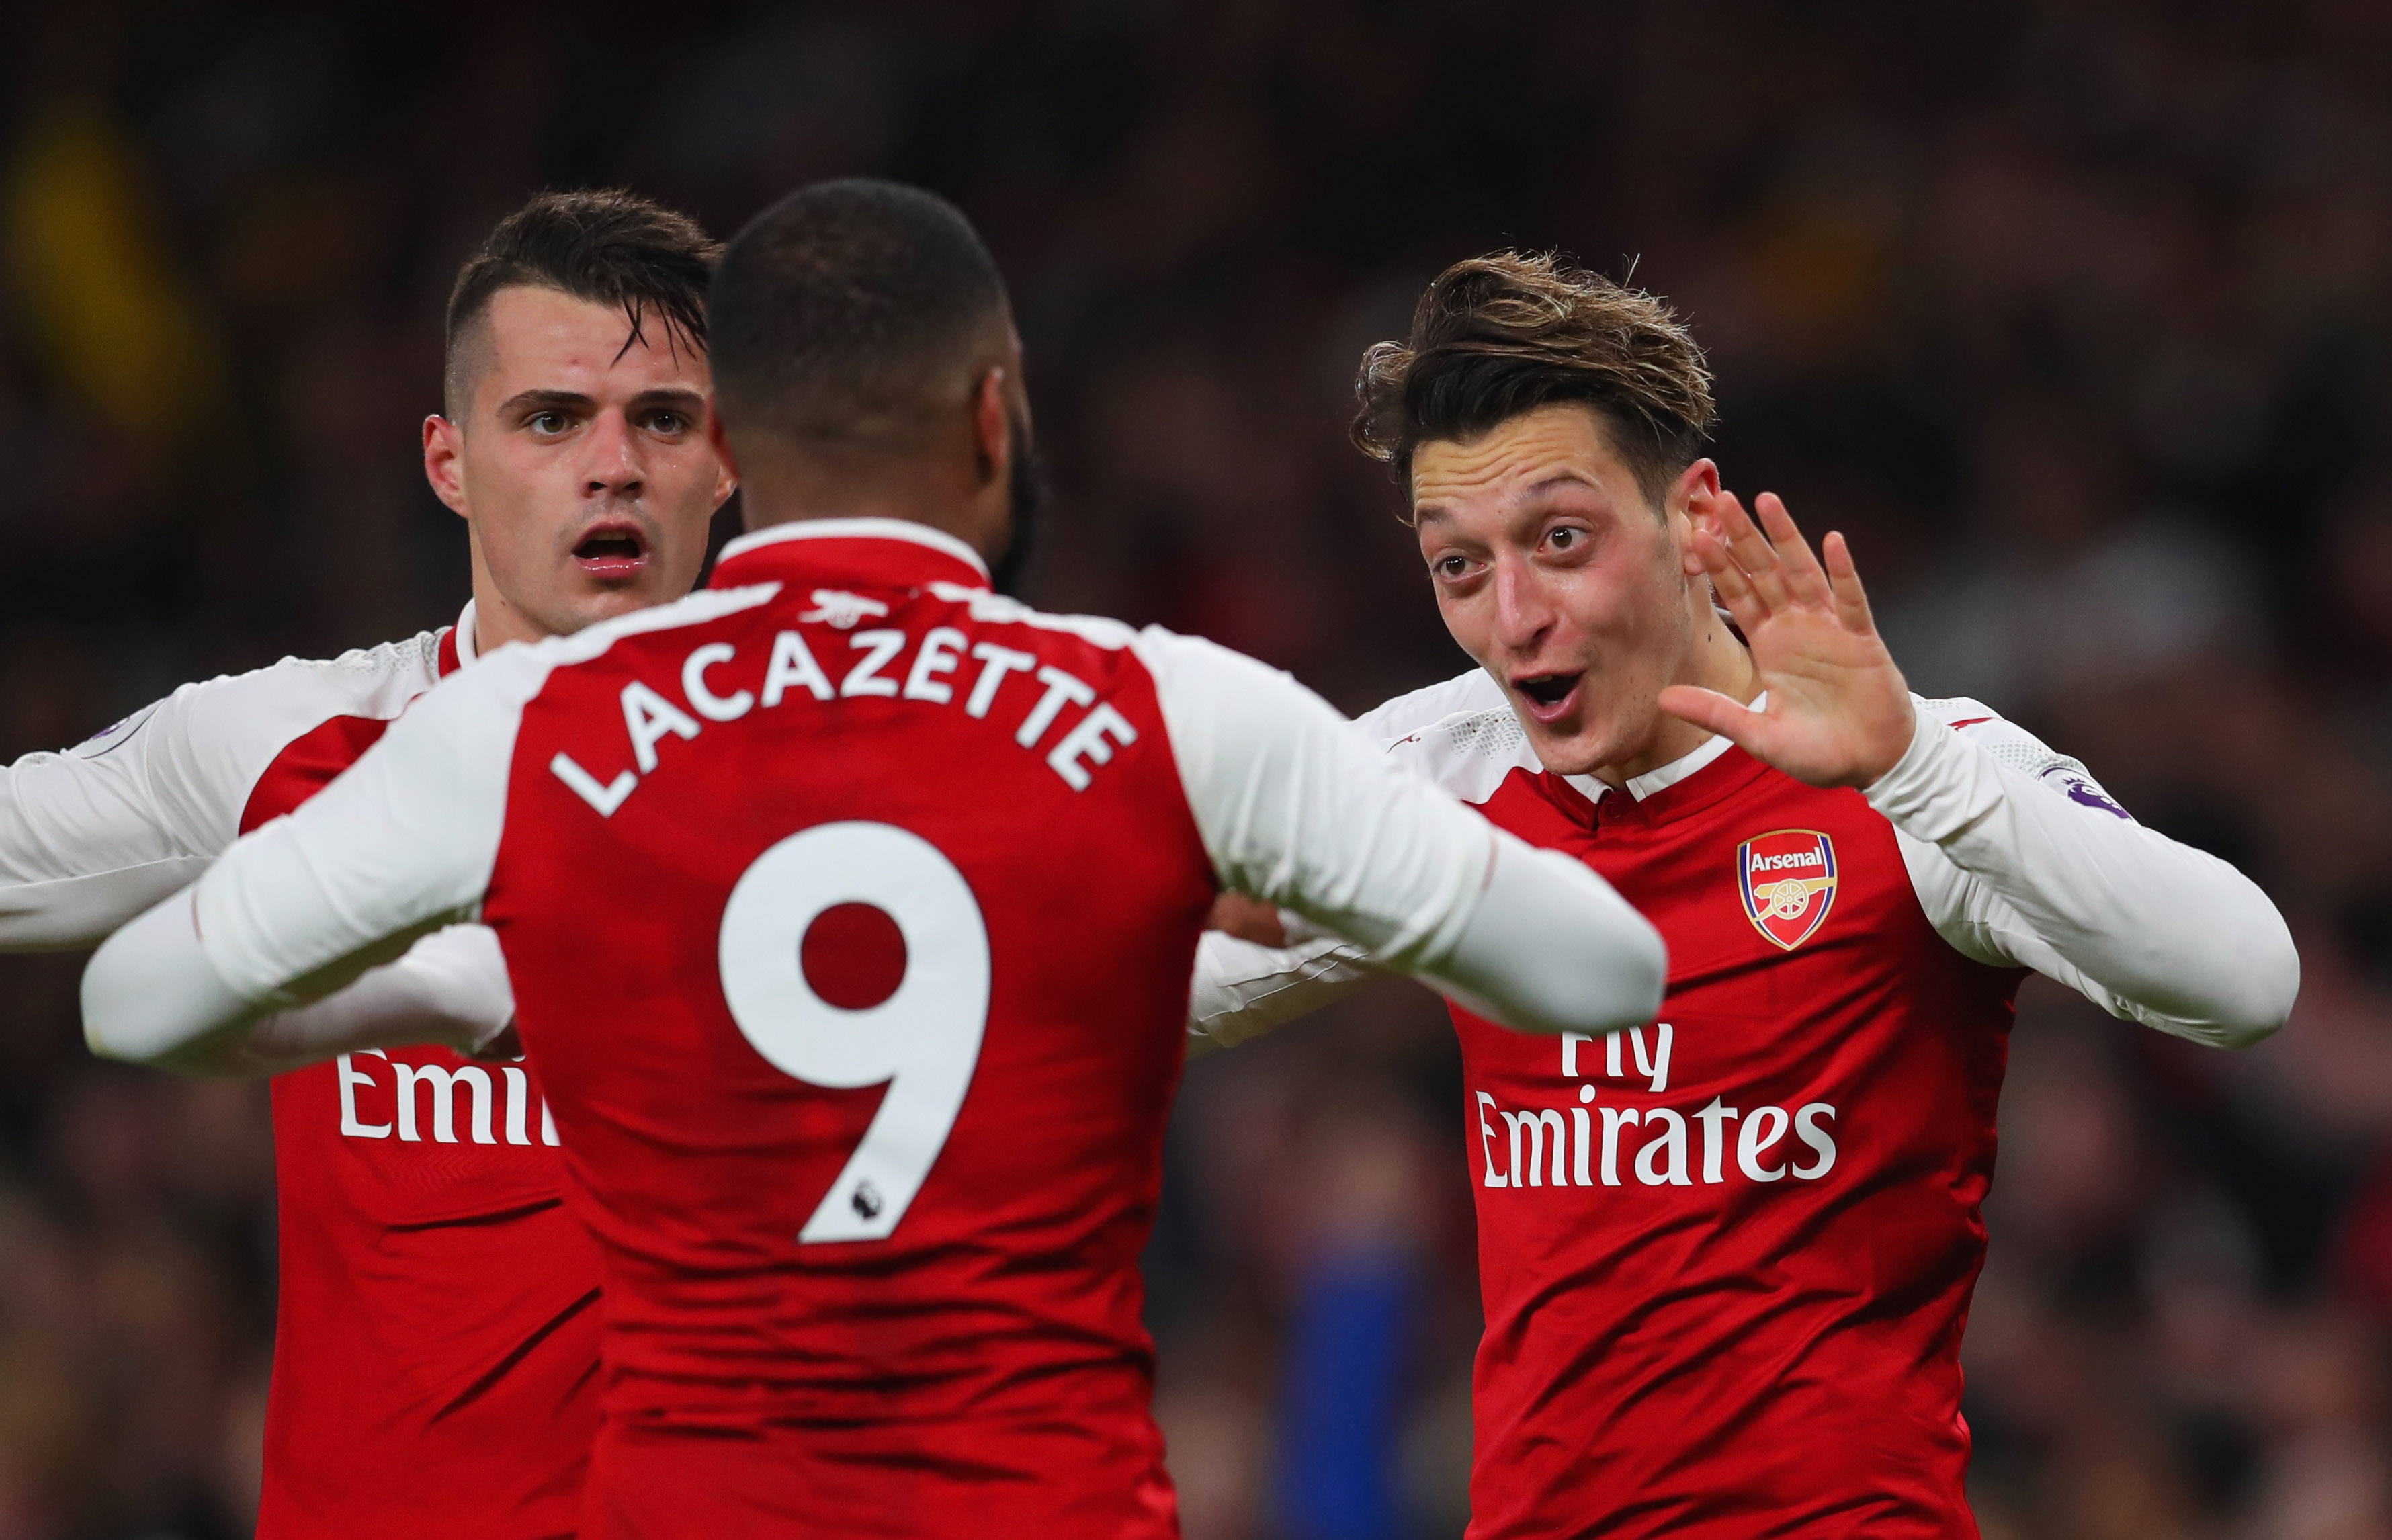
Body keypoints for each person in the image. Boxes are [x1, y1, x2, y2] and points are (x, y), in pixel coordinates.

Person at [79, 179, 1668, 1538]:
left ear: (738, 444)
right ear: (995, 414)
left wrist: (472, 991)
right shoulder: (1173, 716)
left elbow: (141, 1006)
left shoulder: (534, 730)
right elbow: (1598, 971)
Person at [1189, 253, 2301, 1539]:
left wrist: (1915, 770)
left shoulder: (1918, 768)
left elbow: (2248, 982)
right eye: (1460, 568)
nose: (1516, 617)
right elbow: (1143, 998)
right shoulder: (1433, 775)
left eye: (1562, 541)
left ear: (1695, 519)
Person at [0, 189, 732, 1537]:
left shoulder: (851, 800)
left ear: (728, 459)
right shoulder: (289, 750)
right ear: (450, 462)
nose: (612, 465)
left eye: (663, 420)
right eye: (553, 419)